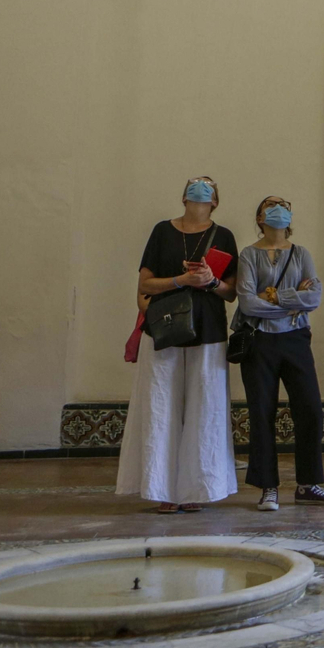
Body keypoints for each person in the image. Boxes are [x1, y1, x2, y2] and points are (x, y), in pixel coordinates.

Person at [117, 178, 239, 512]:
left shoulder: (224, 235)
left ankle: (197, 490)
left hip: (209, 330)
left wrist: (209, 281)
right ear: (183, 195)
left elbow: (231, 292)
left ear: (215, 200)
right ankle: (163, 490)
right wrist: (181, 280)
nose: (201, 189)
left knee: (205, 408)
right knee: (160, 406)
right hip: (164, 330)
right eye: (195, 185)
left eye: (208, 187)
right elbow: (144, 284)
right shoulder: (161, 231)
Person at [237, 196, 324, 511]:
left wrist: (272, 295)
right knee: (261, 412)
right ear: (259, 216)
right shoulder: (248, 255)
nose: (278, 209)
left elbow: (314, 297)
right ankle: (268, 487)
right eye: (271, 205)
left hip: (296, 338)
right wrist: (291, 299)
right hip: (259, 341)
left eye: (284, 205)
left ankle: (308, 484)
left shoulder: (301, 254)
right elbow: (246, 303)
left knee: (310, 409)